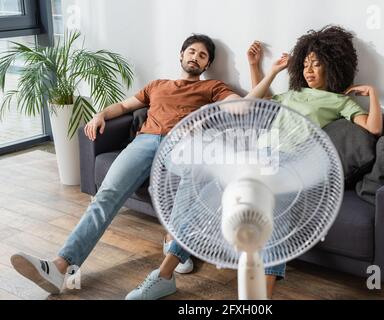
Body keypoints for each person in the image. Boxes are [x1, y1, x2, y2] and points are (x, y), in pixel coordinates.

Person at [10, 34, 241, 296]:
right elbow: (123, 105)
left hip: (181, 145)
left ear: (207, 63)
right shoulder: (157, 85)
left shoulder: (211, 87)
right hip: (145, 142)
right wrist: (99, 115)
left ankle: (174, 243)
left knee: (198, 175)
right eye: (191, 51)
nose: (195, 57)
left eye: (202, 55)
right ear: (181, 55)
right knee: (105, 196)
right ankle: (59, 267)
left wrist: (207, 116)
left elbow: (237, 106)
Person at [245, 25, 383, 296]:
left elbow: (374, 129)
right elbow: (258, 99)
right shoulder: (292, 94)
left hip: (290, 161)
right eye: (305, 64)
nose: (308, 70)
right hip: (261, 154)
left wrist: (373, 94)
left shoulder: (338, 101)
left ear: (332, 67)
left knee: (274, 205)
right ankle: (171, 263)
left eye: (316, 64)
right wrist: (259, 66)